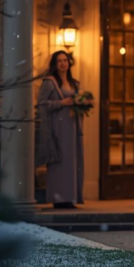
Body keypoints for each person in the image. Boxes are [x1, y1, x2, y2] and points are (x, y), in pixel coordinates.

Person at [36, 51, 89, 209]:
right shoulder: (50, 82)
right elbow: (42, 104)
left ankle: (71, 197)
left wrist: (84, 103)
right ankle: (58, 198)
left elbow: (78, 103)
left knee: (73, 162)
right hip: (58, 128)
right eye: (59, 61)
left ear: (69, 63)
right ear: (54, 64)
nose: (63, 63)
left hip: (73, 127)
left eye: (65, 60)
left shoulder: (75, 84)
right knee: (60, 163)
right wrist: (60, 103)